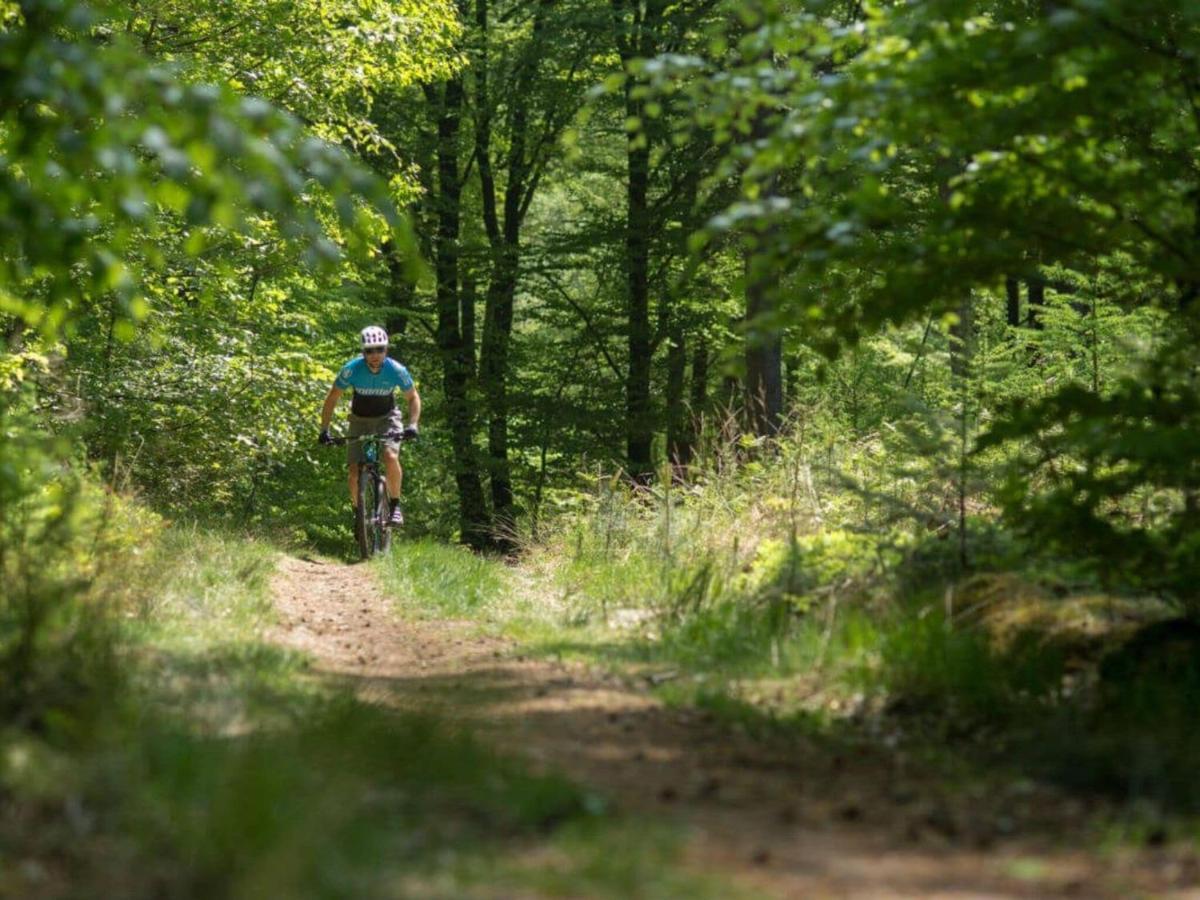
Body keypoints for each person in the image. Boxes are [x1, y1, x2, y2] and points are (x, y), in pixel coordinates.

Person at [318, 326, 420, 528]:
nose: (375, 355)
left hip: (387, 418)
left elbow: (413, 397)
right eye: (369, 350)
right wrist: (324, 430)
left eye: (380, 349)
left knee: (390, 456)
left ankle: (395, 506)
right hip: (359, 419)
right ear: (363, 352)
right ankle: (358, 514)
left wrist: (413, 425)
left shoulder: (396, 370)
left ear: (386, 349)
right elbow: (332, 398)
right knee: (354, 471)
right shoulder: (351, 370)